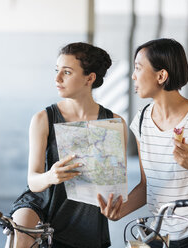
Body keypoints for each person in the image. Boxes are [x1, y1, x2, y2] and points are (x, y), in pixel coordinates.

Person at [97, 38, 188, 247]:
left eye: (138, 68)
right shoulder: (141, 121)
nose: (133, 76)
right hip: (162, 230)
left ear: (161, 75)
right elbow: (146, 186)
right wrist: (119, 210)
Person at [10, 42, 127, 248]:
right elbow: (33, 181)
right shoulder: (43, 119)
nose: (57, 79)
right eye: (57, 71)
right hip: (41, 205)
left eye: (67, 72)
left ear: (89, 78)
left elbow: (114, 188)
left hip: (86, 218)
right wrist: (51, 176)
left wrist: (115, 206)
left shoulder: (113, 123)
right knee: (18, 235)